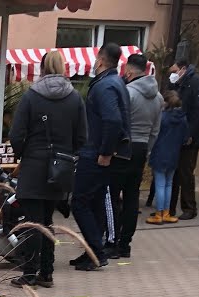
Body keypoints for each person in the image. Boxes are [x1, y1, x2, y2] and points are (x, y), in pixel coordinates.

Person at [8, 50, 86, 289]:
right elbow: (82, 136)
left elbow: (16, 134)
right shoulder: (75, 99)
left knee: (33, 222)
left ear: (42, 68)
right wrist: (67, 154)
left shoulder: (31, 96)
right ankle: (47, 272)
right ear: (64, 67)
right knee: (47, 221)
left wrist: (22, 153)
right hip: (59, 169)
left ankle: (30, 272)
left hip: (33, 166)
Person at [69, 43, 128, 272]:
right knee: (94, 203)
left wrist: (105, 151)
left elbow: (113, 121)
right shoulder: (117, 82)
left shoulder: (105, 86)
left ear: (101, 61)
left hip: (94, 154)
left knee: (80, 202)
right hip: (98, 152)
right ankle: (92, 252)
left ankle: (96, 250)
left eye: (95, 59)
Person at [109, 53, 161, 259]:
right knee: (132, 197)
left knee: (113, 196)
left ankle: (112, 241)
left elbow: (118, 123)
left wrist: (111, 148)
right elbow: (156, 130)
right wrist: (147, 148)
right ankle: (125, 244)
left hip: (123, 148)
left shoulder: (126, 93)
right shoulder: (158, 97)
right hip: (141, 148)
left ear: (129, 71)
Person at [167, 58, 199, 220]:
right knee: (174, 171)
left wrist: (190, 134)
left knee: (185, 172)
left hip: (191, 135)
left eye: (174, 72)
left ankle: (189, 208)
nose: (172, 75)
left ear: (183, 68)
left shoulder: (196, 82)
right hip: (179, 132)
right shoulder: (181, 83)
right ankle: (169, 208)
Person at [147, 91, 189, 226]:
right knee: (168, 184)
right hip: (174, 154)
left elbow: (154, 134)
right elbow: (185, 138)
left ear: (165, 102)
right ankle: (166, 212)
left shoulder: (162, 118)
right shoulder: (183, 118)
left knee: (160, 183)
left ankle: (158, 213)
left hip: (160, 152)